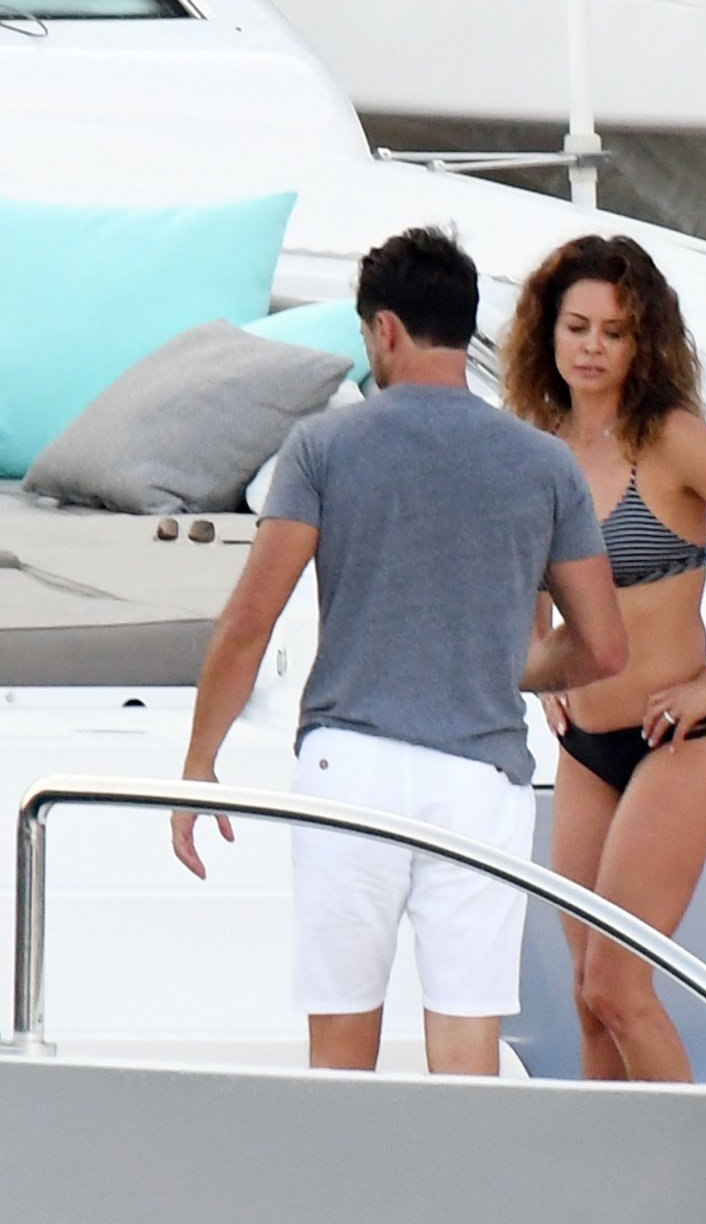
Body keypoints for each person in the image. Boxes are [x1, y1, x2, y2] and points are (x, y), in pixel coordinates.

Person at [171, 226, 627, 1076]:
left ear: (384, 329)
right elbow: (603, 648)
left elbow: (249, 620)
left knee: (342, 1052)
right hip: (481, 781)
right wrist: (510, 668)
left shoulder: (323, 447)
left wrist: (200, 764)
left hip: (351, 771)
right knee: (466, 1051)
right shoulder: (545, 464)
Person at [502, 234, 706, 1083]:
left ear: (643, 342)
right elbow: (528, 574)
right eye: (577, 327)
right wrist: (541, 667)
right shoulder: (538, 446)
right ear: (548, 332)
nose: (592, 348)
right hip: (584, 749)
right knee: (586, 998)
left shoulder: (674, 439)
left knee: (618, 986)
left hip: (680, 742)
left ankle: (696, 1156)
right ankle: (612, 1165)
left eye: (614, 331)